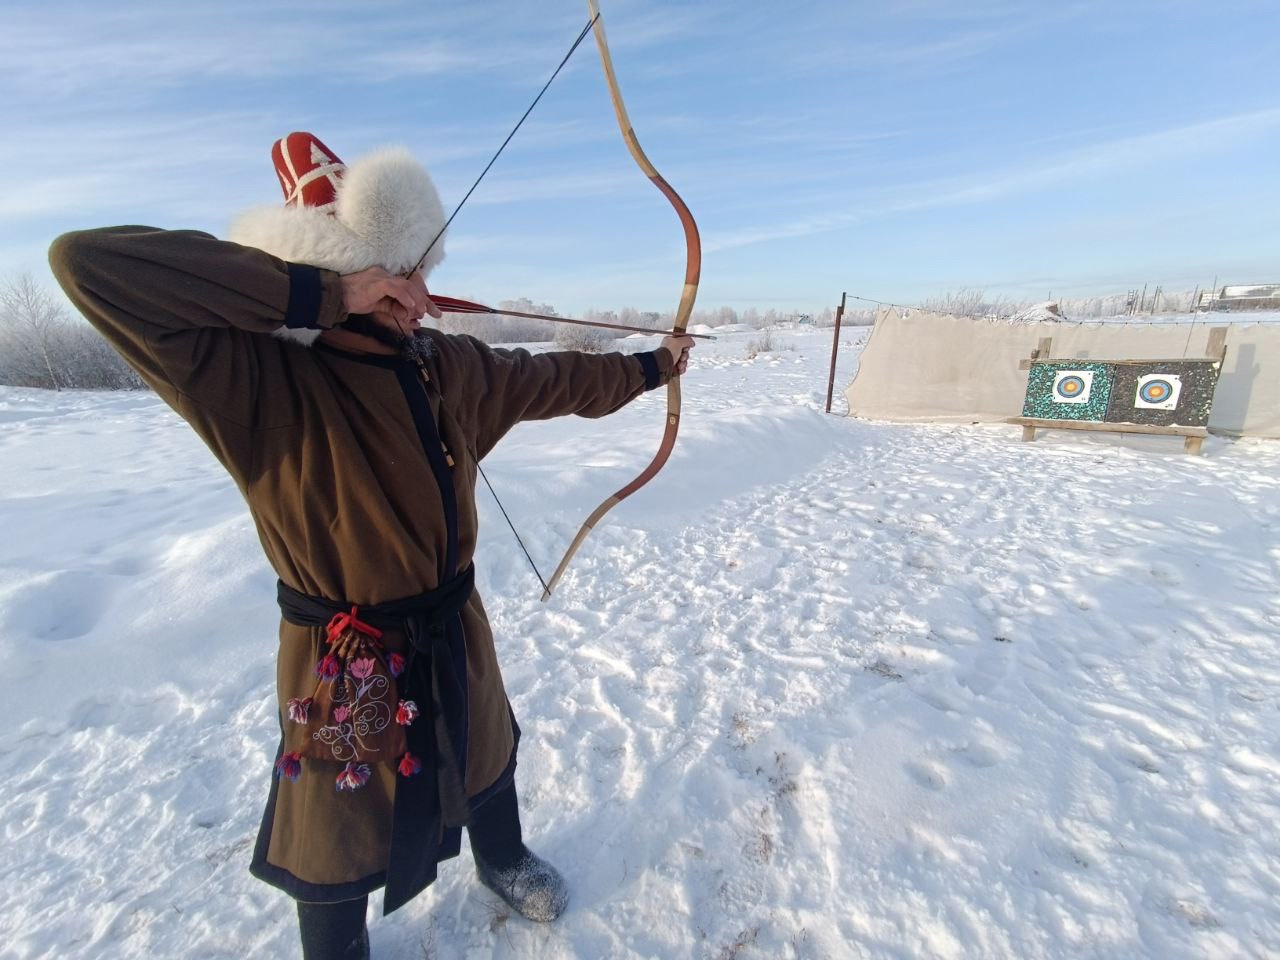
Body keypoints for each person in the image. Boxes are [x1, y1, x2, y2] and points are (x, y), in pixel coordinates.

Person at [49, 132, 693, 960]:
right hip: (343, 646)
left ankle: (500, 858)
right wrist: (323, 294)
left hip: (449, 617)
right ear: (345, 272)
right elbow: (85, 264)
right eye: (399, 275)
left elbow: (550, 378)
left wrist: (648, 368)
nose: (420, 294)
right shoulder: (247, 380)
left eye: (421, 272)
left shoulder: (443, 363)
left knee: (485, 741)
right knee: (341, 814)